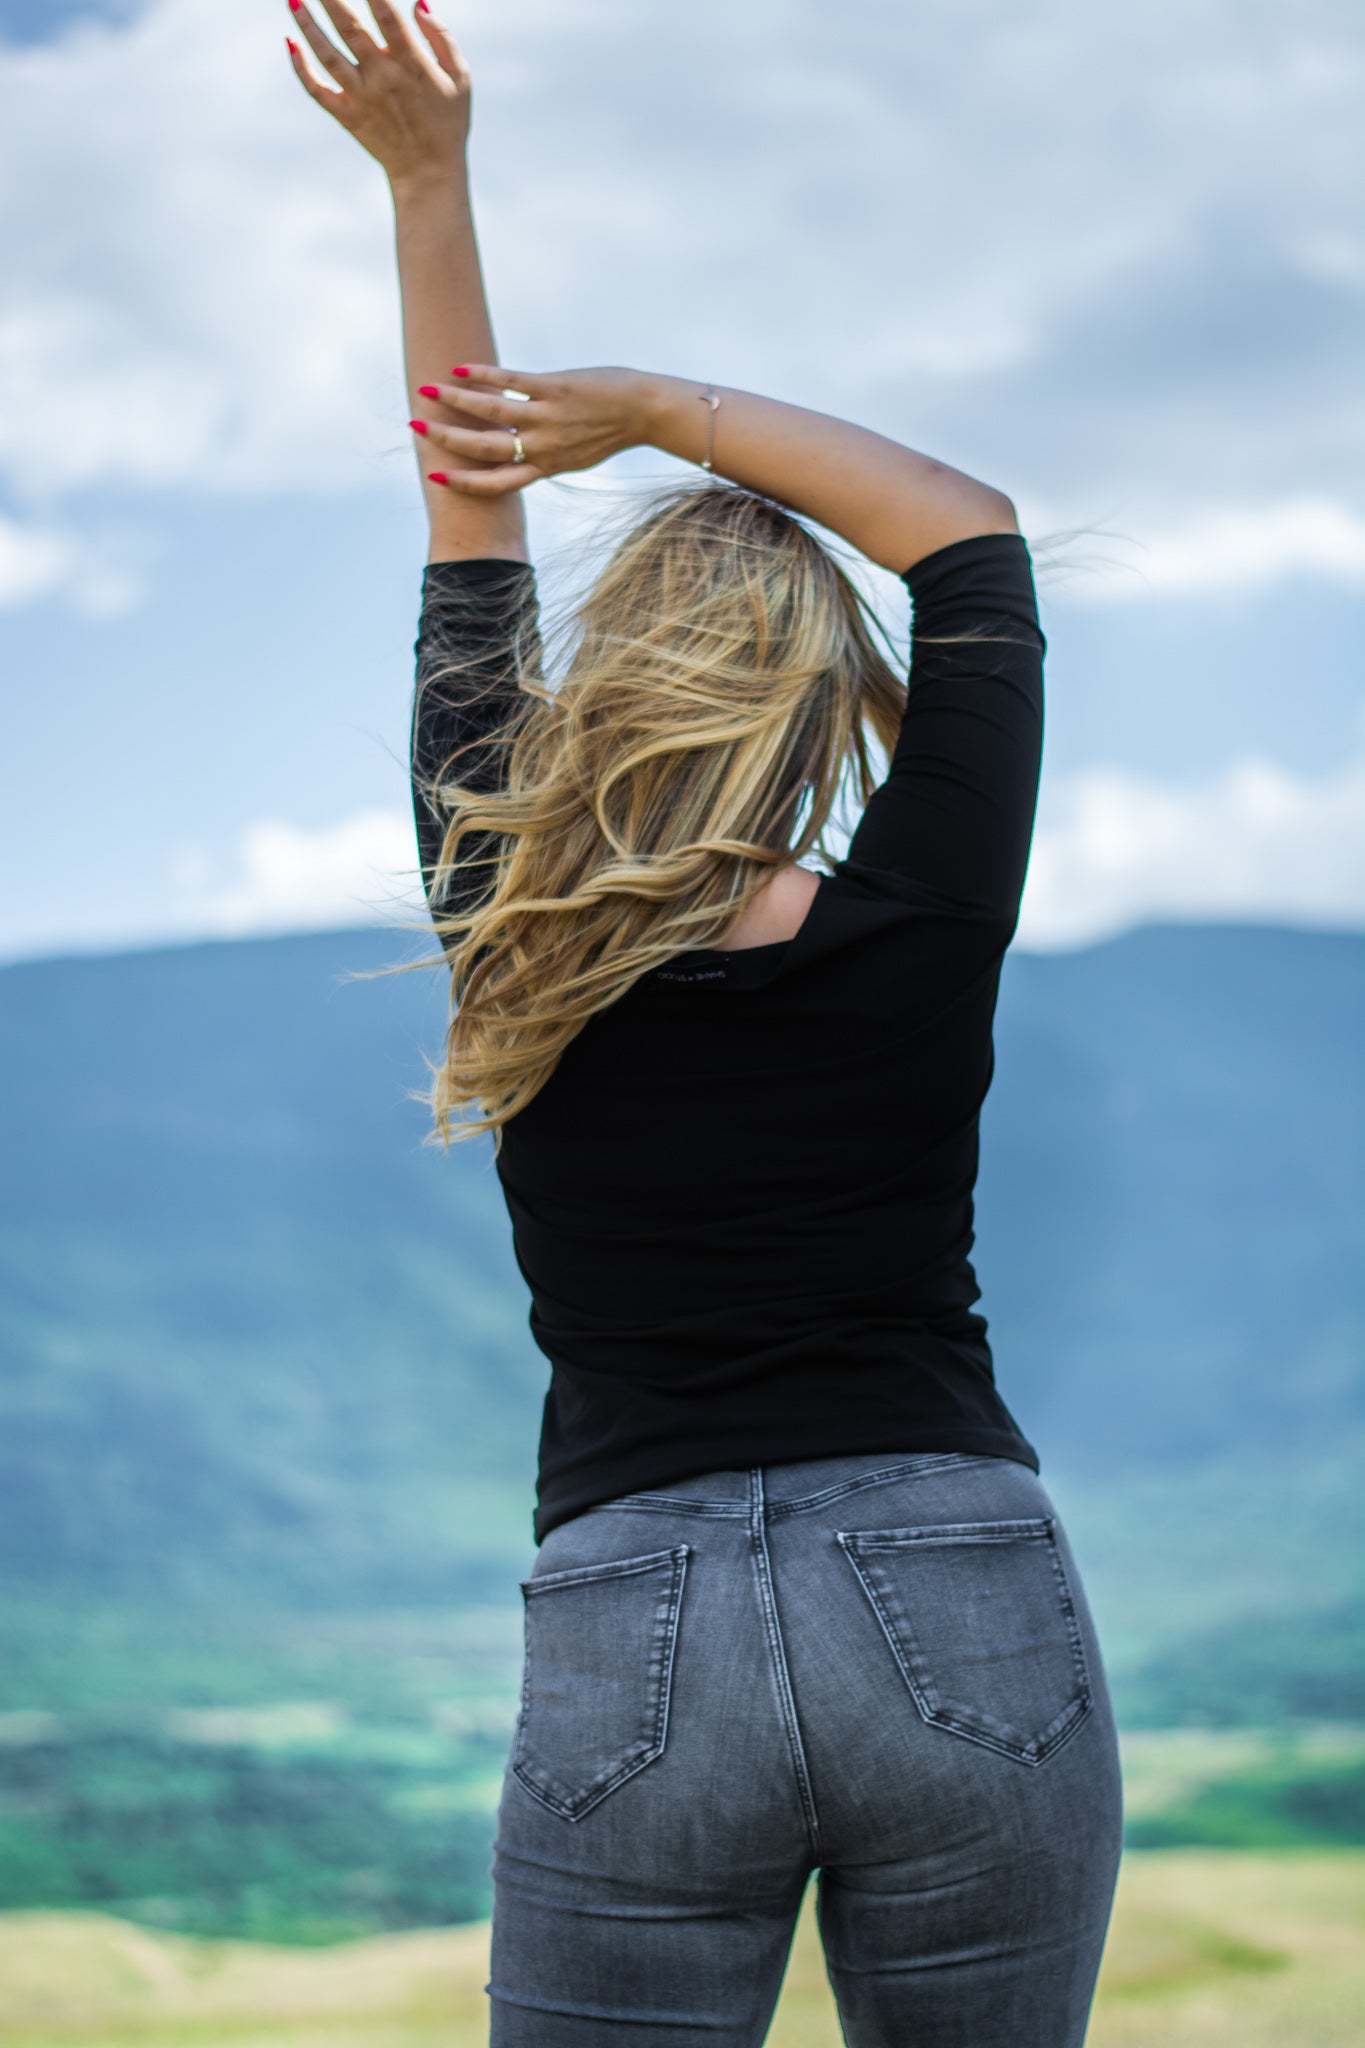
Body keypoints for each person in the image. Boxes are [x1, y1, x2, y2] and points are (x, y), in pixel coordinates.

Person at [288, 5, 1124, 2042]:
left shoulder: (513, 914)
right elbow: (965, 531)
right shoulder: (922, 908)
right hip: (955, 1568)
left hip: (631, 1610)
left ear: (598, 702)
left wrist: (421, 184)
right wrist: (661, 402)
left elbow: (466, 514)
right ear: (827, 705)